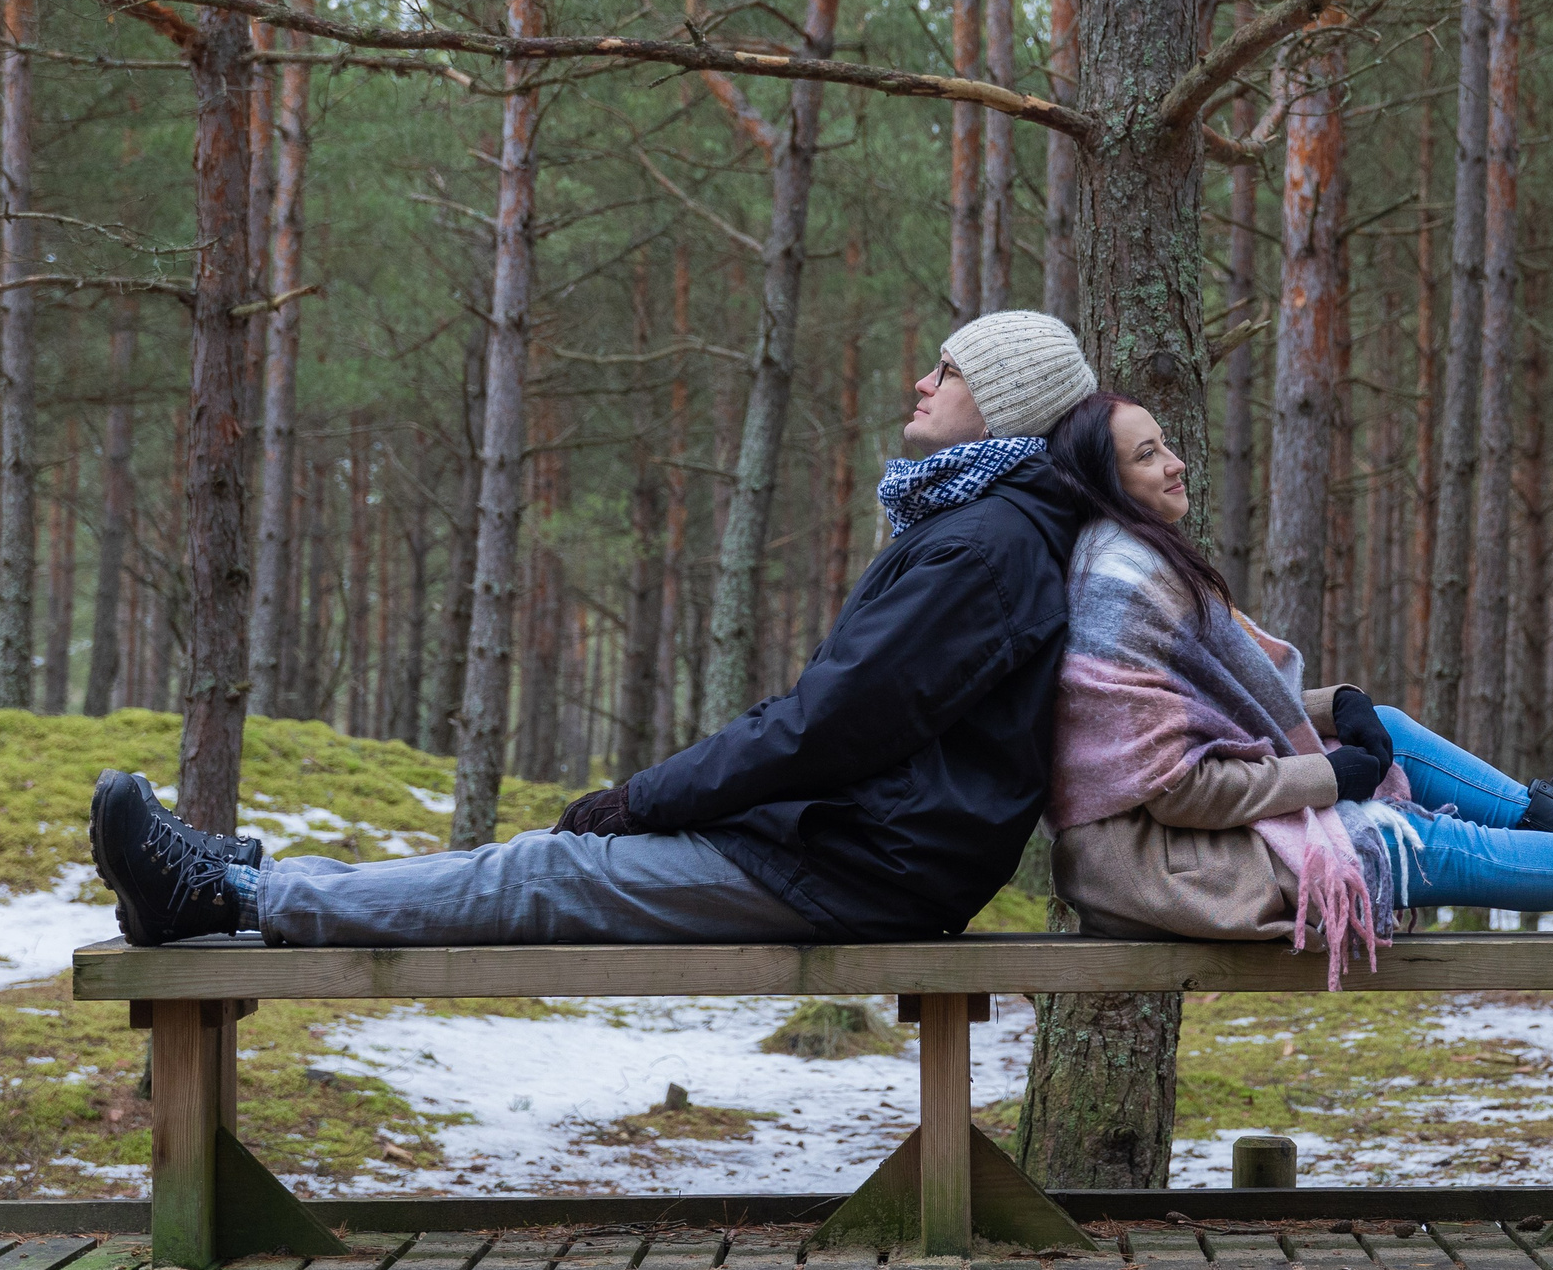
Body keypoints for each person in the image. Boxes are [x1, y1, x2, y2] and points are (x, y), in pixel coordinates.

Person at [90, 309, 1100, 948]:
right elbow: (841, 723)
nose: (920, 383)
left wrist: (640, 799)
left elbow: (828, 724)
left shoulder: (983, 549)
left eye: (948, 371)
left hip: (863, 867)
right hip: (862, 847)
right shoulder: (983, 531)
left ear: (1004, 409)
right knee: (545, 860)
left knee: (544, 870)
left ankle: (226, 900)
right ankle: (241, 874)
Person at [1041, 391, 1553, 975]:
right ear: (1107, 480)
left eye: (1166, 443)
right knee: (1406, 838)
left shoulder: (1134, 559)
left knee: (1389, 726)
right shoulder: (1123, 584)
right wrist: (1329, 774)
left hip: (1181, 838)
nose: (1175, 461)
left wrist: (1336, 709)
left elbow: (1208, 716)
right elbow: (1179, 787)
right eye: (1148, 454)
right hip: (1164, 865)